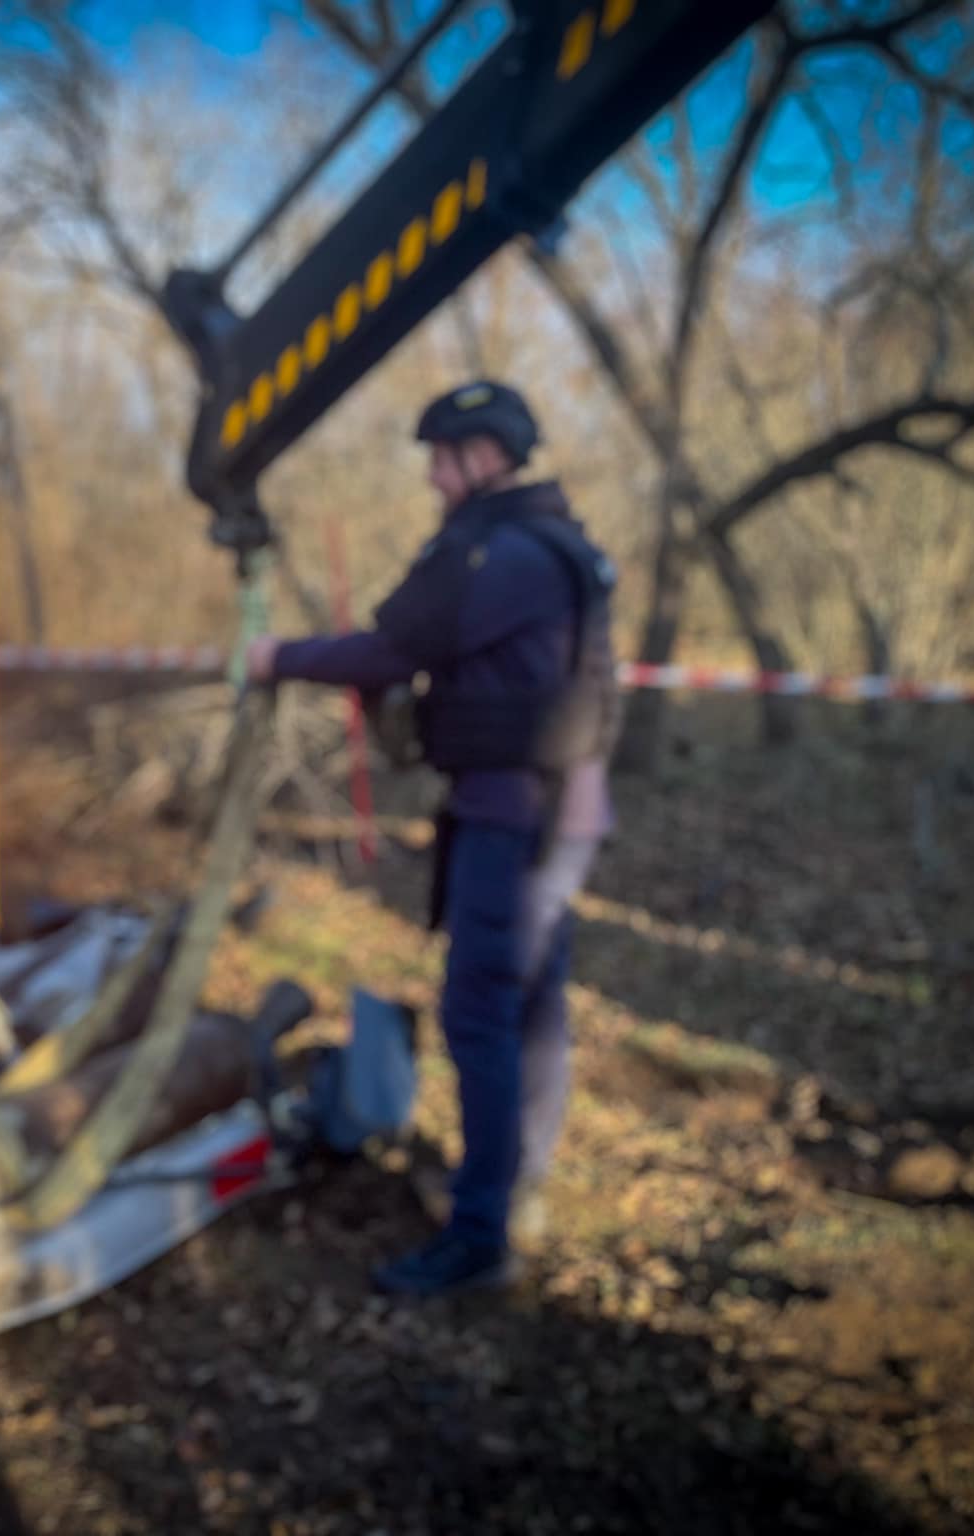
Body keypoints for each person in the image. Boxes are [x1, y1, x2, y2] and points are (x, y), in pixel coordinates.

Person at [246, 380, 617, 1297]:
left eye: (443, 458)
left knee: (484, 1012)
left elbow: (387, 647)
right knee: (532, 1009)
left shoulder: (498, 553)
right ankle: (511, 1187)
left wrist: (277, 658)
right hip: (555, 812)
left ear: (485, 455)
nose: (432, 478)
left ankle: (481, 1233)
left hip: (516, 817)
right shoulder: (559, 542)